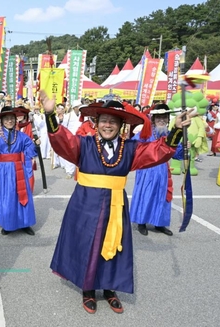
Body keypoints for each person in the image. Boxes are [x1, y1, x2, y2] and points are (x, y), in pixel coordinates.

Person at [39, 90, 192, 314]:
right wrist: (51, 114)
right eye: (104, 121)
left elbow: (158, 151)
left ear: (121, 125)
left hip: (116, 204)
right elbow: (62, 141)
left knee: (114, 245)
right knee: (87, 244)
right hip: (85, 204)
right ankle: (88, 289)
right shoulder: (84, 144)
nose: (107, 125)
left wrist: (177, 129)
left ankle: (110, 289)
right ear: (96, 123)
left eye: (113, 121)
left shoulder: (130, 148)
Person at [0, 106, 38, 235]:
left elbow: (30, 150)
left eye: (12, 118)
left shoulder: (21, 136)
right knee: (6, 196)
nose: (9, 121)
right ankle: (7, 223)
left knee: (22, 195)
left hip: (19, 169)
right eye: (6, 119)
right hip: (2, 170)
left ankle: (25, 223)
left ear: (15, 120)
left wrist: (35, 146)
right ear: (2, 120)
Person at [130, 104, 185, 236]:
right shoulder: (145, 133)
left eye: (164, 117)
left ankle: (159, 223)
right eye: (158, 117)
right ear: (153, 119)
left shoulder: (170, 134)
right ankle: (141, 222)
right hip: (146, 170)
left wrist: (185, 148)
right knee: (145, 195)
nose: (162, 120)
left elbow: (176, 154)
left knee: (162, 197)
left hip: (163, 171)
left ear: (168, 119)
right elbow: (132, 147)